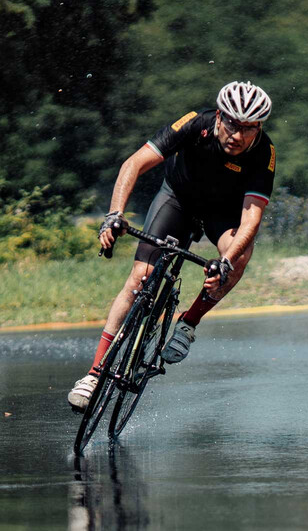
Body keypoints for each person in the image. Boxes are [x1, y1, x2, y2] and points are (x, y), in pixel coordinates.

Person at [68, 80, 276, 411]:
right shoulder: (195, 123)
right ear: (220, 117)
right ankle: (94, 373)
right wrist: (114, 214)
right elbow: (133, 164)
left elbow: (251, 219)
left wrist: (226, 261)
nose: (238, 135)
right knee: (139, 279)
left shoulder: (263, 152)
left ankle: (189, 323)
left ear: (259, 128)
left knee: (240, 255)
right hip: (177, 199)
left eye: (249, 128)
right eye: (233, 124)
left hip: (221, 214)